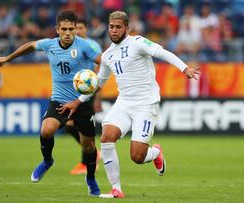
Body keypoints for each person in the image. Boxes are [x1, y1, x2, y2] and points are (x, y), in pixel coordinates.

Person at [59, 11, 200, 199]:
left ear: (127, 28)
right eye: (111, 27)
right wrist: (78, 101)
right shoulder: (108, 54)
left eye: (118, 27)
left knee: (137, 157)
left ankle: (156, 152)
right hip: (123, 103)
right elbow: (98, 84)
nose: (114, 30)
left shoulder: (138, 43)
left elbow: (162, 52)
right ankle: (116, 189)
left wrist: (184, 68)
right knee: (107, 137)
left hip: (145, 104)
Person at [0, 10, 101, 196]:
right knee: (46, 130)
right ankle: (47, 161)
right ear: (57, 29)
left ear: (75, 29)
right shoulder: (49, 45)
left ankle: (91, 178)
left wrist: (98, 81)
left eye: (71, 29)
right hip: (59, 100)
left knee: (89, 146)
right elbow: (29, 46)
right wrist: (8, 58)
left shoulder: (84, 46)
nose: (68, 33)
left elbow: (103, 62)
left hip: (81, 102)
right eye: (64, 29)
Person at [66, 17, 103, 175]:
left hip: (88, 90)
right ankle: (93, 153)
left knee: (80, 126)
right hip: (73, 90)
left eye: (81, 28)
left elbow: (99, 70)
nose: (79, 31)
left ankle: (86, 162)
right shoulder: (71, 45)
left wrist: (97, 96)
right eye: (77, 28)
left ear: (86, 29)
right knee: (70, 125)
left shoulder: (92, 45)